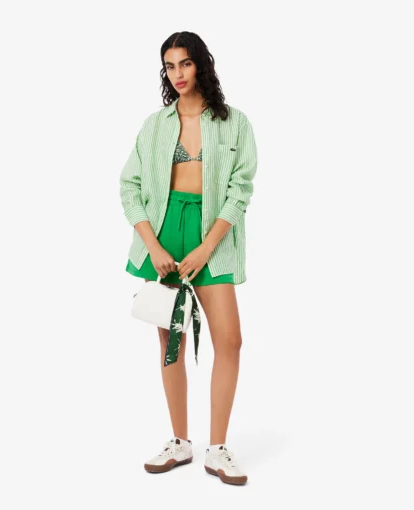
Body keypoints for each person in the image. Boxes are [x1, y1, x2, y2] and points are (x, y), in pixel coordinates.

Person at [119, 31, 257, 486]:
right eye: (170, 66)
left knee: (229, 340)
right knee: (170, 341)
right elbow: (130, 186)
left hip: (212, 237)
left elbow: (240, 190)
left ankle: (217, 450)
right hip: (164, 233)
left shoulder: (234, 123)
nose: (177, 74)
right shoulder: (155, 125)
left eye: (185, 64)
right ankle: (179, 441)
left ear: (201, 65)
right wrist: (154, 246)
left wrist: (207, 246)